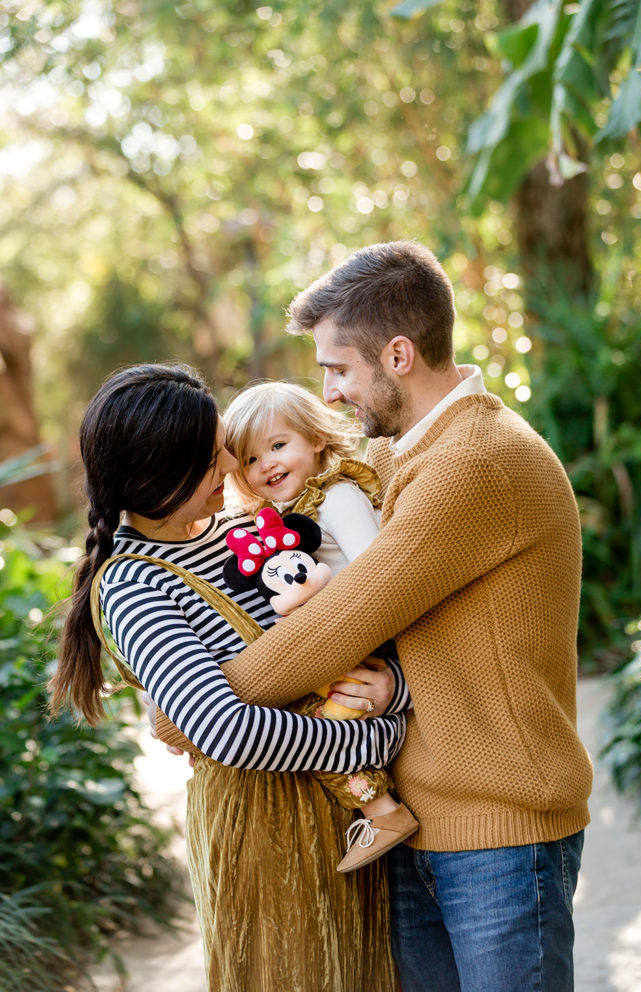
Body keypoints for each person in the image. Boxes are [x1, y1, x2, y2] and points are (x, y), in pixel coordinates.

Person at [182, 241, 594, 992]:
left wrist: (194, 709)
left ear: (398, 354)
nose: (330, 394)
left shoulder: (475, 462)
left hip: (500, 833)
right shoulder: (406, 456)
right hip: (422, 823)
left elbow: (349, 615)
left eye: (338, 368)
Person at [49, 363, 408, 992]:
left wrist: (390, 695)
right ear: (162, 472)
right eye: (214, 456)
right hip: (266, 835)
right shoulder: (135, 585)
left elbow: (345, 631)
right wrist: (381, 740)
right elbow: (225, 728)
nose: (231, 466)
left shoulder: (238, 530)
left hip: (353, 819)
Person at [222, 380, 419, 871]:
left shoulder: (338, 497)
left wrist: (314, 597)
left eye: (277, 445)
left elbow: (378, 573)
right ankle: (381, 809)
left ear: (314, 438)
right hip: (331, 647)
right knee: (308, 727)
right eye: (248, 459)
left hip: (365, 641)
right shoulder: (278, 517)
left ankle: (383, 812)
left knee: (319, 736)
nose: (265, 464)